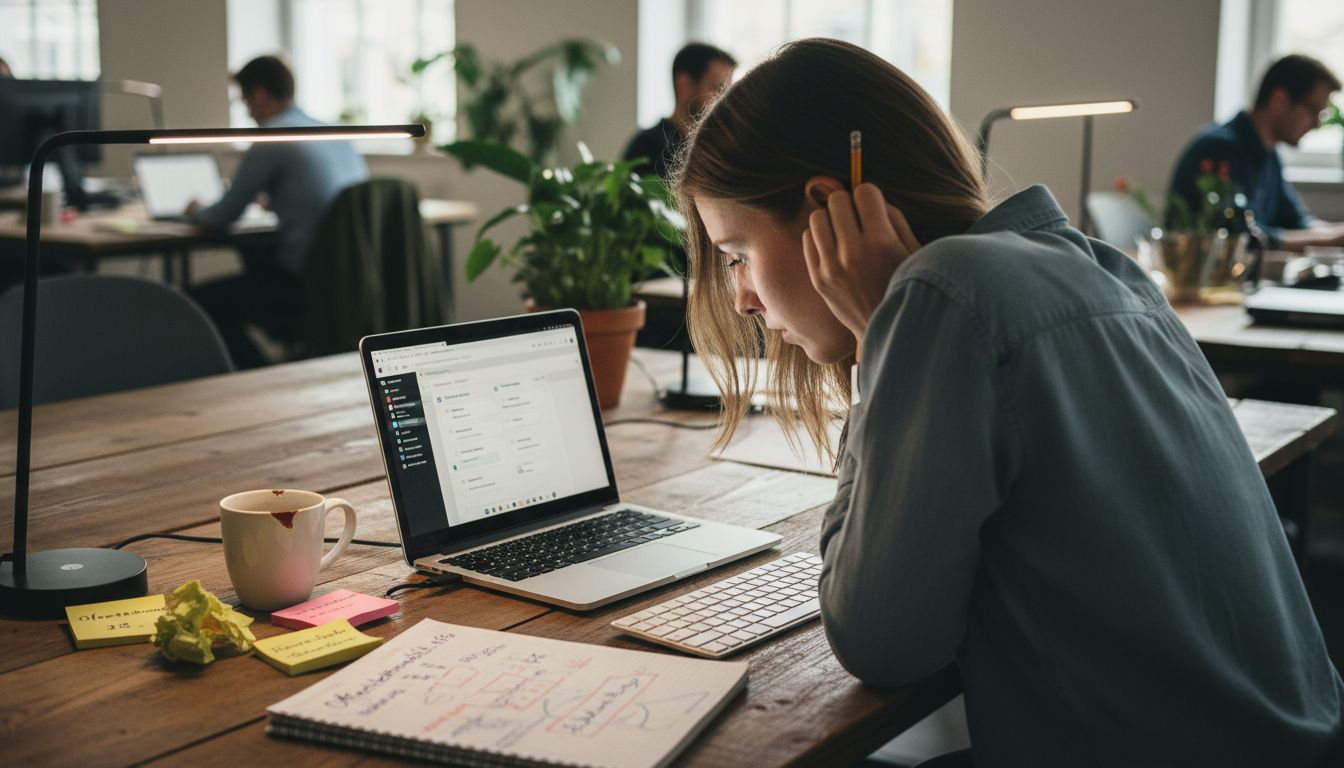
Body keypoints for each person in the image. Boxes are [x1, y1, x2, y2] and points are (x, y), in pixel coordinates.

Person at [675, 38, 1342, 766]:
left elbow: (880, 642)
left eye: (737, 254)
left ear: (826, 211)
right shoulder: (1099, 265)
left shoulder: (942, 294)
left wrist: (879, 335)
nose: (739, 296)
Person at [188, 54, 368, 368]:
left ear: (259, 94)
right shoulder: (333, 132)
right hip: (351, 277)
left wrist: (195, 211)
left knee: (195, 303)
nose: (248, 112)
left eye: (245, 102)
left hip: (302, 283)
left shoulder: (273, 137)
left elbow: (223, 216)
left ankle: (257, 375)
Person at [1167, 54, 1344, 251]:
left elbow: (1295, 221)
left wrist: (1336, 234)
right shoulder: (1219, 149)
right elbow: (1239, 237)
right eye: (1314, 111)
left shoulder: (1269, 154)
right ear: (1280, 100)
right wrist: (1332, 240)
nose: (1317, 124)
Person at [622, 42, 735, 180]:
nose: (724, 101)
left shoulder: (717, 147)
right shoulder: (647, 147)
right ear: (684, 84)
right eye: (717, 88)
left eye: (727, 91)